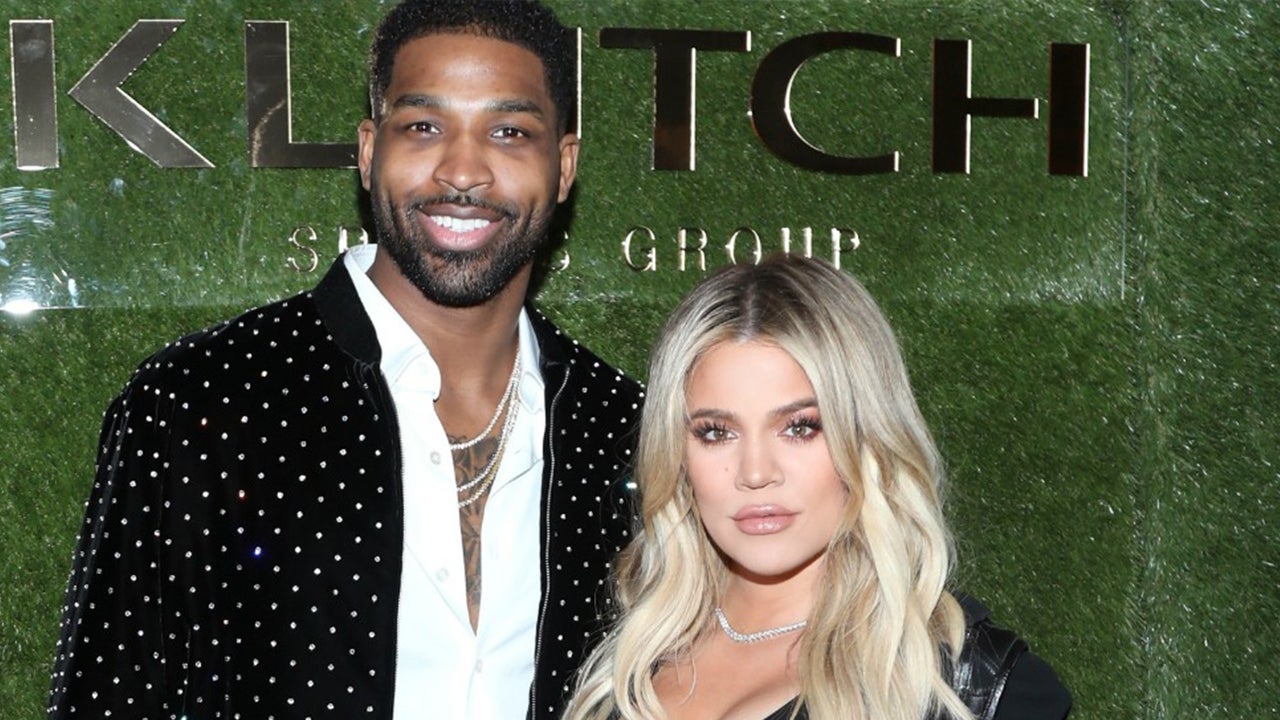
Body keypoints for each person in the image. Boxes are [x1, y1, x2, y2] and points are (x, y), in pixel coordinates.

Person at [48, 2, 643, 718]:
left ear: (564, 166)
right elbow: (111, 695)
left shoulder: (622, 428)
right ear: (368, 151)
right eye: (423, 126)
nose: (462, 170)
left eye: (508, 132)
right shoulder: (199, 403)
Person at [566, 255, 1071, 720]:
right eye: (716, 432)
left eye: (800, 427)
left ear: (867, 437)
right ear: (677, 454)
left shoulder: (969, 686)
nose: (755, 472)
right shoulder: (627, 662)